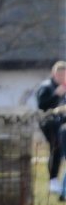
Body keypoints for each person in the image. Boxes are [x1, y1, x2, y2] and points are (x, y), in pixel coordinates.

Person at [39, 60, 66, 197]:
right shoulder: (46, 86)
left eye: (64, 74)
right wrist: (56, 95)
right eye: (59, 74)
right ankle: (53, 179)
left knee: (61, 150)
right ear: (54, 73)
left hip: (62, 123)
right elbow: (42, 105)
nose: (61, 77)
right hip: (49, 122)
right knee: (56, 148)